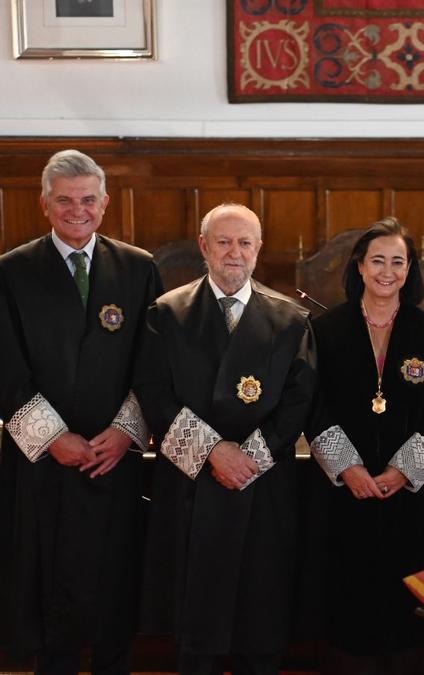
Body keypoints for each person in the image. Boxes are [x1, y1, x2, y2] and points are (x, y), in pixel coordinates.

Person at [0, 149, 162, 674]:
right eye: (65, 200)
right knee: (49, 601)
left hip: (115, 462)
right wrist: (55, 439)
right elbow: (5, 372)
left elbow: (152, 367)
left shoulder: (139, 268)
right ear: (45, 204)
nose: (77, 210)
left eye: (88, 199)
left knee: (114, 599)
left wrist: (127, 430)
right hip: (44, 468)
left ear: (105, 203)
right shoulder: (11, 272)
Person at [137, 202, 316, 675]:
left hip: (261, 489)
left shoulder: (291, 320)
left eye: (244, 243)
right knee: (197, 632)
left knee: (258, 628)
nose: (233, 253)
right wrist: (215, 453)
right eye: (223, 241)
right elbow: (154, 395)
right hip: (192, 489)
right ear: (204, 247)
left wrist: (247, 459)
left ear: (258, 251)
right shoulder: (166, 313)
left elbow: (299, 401)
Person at [305, 217, 424, 674]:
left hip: (410, 495)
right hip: (344, 494)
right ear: (360, 266)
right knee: (350, 595)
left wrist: (403, 471)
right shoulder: (326, 328)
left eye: (398, 261)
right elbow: (313, 406)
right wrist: (349, 469)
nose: (387, 271)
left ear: (409, 271)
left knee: (408, 600)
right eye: (378, 261)